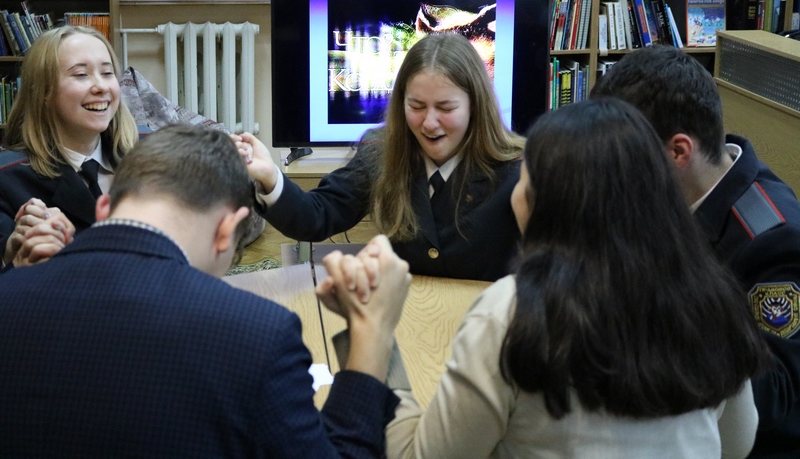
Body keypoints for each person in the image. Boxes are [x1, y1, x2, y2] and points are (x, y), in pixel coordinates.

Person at [323, 98, 770, 458]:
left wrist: (374, 332)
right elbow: (737, 444)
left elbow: (421, 455)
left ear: (540, 204)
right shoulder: (714, 296)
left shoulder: (513, 310)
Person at [0, 124, 411, 457]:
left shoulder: (9, 293)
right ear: (226, 231)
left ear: (104, 208)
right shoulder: (258, 334)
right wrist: (371, 333)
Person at [590, 45, 800, 458]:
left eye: (624, 154)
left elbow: (779, 402)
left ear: (678, 152)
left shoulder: (773, 238)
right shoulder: (664, 192)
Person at [236, 33, 525, 281]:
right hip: (406, 311)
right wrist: (271, 177)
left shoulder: (518, 170)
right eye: (416, 106)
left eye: (446, 108)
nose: (429, 123)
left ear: (475, 106)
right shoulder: (380, 152)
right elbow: (317, 216)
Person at [0, 25, 140, 266]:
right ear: (44, 91)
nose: (101, 87)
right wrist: (14, 259)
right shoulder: (7, 179)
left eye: (107, 73)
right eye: (81, 75)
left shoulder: (152, 158)